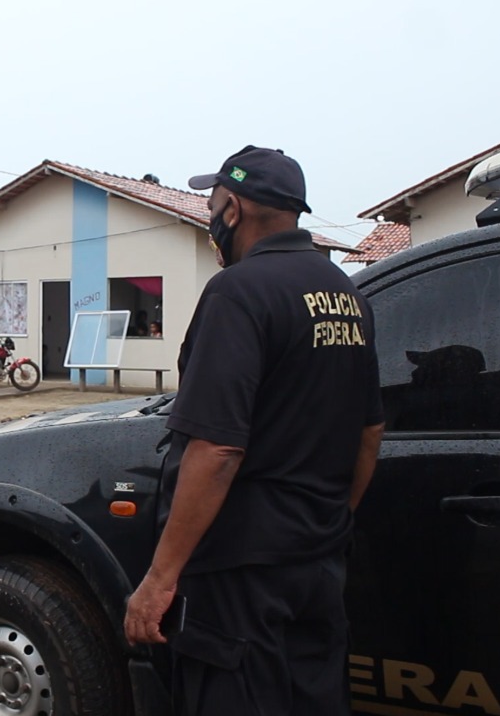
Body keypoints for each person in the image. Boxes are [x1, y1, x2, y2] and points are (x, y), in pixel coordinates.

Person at [124, 146, 385, 715]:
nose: (211, 217)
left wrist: (160, 579)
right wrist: (328, 523)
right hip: (319, 563)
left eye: (212, 204)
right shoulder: (348, 295)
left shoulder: (238, 291)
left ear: (233, 209)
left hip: (240, 576)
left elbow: (217, 446)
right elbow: (370, 433)